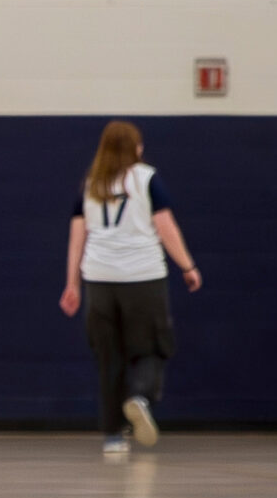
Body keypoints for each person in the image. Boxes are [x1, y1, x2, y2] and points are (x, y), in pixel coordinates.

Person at [58, 120, 200, 454]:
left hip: (99, 281)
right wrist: (188, 266)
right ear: (133, 148)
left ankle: (112, 436)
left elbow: (77, 238)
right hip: (143, 277)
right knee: (151, 346)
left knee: (110, 356)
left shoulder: (91, 184)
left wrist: (72, 284)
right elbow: (165, 228)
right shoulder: (147, 178)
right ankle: (139, 396)